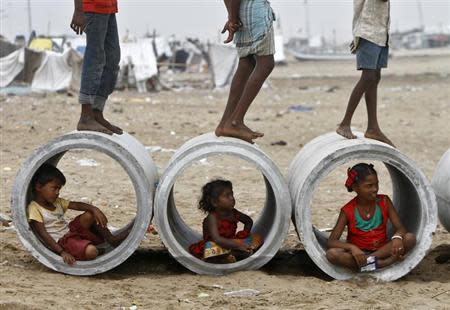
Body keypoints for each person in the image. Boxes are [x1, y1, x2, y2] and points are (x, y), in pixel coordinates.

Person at [28, 164, 130, 265]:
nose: (57, 192)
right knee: (91, 251)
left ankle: (111, 239)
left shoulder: (57, 202)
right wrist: (61, 252)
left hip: (71, 232)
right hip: (62, 243)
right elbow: (43, 234)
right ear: (39, 187)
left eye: (59, 189)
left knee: (90, 215)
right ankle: (94, 249)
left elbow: (76, 205)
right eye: (54, 188)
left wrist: (94, 209)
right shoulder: (34, 208)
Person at [326, 163, 416, 272]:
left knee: (410, 238)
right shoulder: (347, 210)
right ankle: (383, 263)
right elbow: (331, 241)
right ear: (355, 188)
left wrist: (397, 238)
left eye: (376, 184)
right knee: (332, 254)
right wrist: (352, 248)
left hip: (382, 250)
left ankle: (369, 262)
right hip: (358, 255)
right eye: (369, 186)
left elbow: (401, 228)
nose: (375, 189)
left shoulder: (384, 201)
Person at [215, 0, 275, 143]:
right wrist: (232, 18)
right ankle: (236, 120)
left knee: (247, 64)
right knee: (266, 64)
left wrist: (232, 17)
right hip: (255, 10)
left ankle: (226, 123)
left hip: (242, 12)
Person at [336, 0, 395, 147]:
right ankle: (345, 123)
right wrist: (358, 34)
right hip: (368, 32)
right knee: (368, 77)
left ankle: (373, 127)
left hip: (380, 33)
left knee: (375, 77)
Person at [70, 0, 123, 135]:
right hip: (92, 7)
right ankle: (86, 115)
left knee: (112, 59)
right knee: (95, 58)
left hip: (109, 7)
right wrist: (78, 10)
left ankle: (96, 112)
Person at [189, 179, 263, 263]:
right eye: (227, 196)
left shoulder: (234, 213)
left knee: (257, 237)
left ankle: (232, 256)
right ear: (214, 202)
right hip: (217, 244)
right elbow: (217, 239)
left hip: (231, 242)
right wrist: (237, 245)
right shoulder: (212, 217)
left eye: (232, 194)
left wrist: (243, 234)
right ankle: (231, 256)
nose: (232, 198)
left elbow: (248, 221)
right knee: (210, 247)